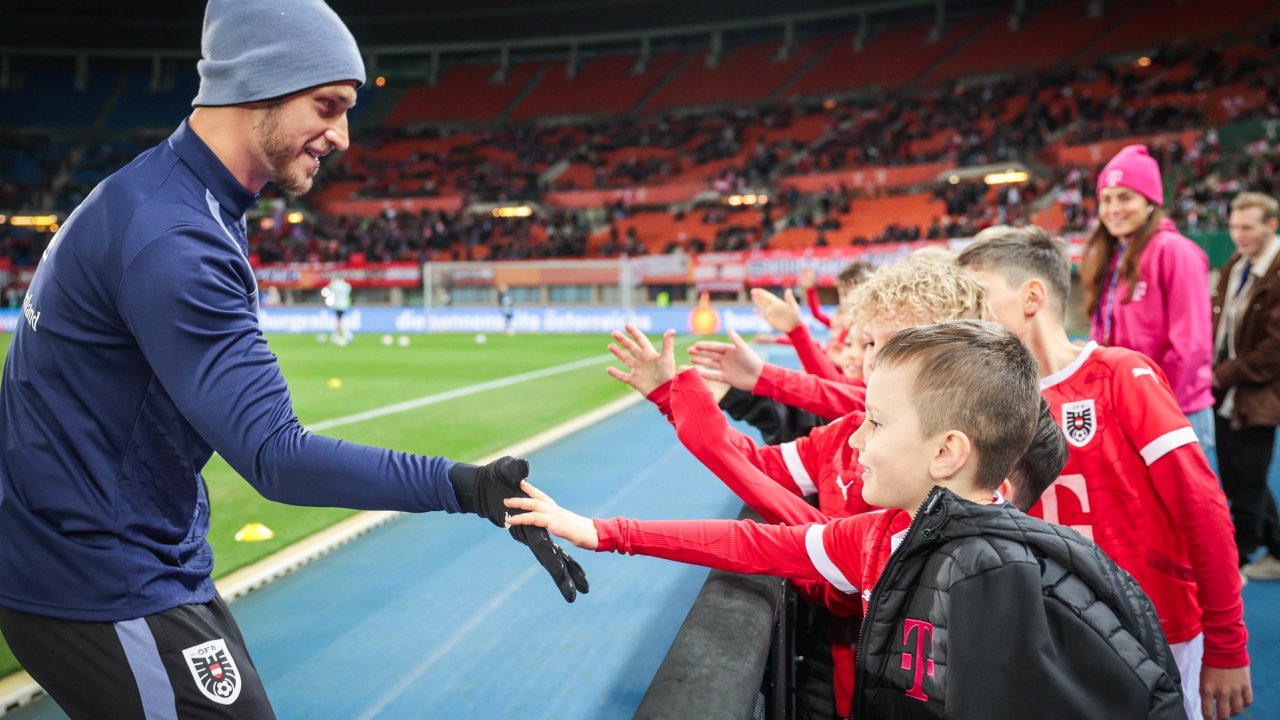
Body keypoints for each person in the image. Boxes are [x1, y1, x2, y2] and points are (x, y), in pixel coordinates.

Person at [0, 3, 587, 718]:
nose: (343, 135)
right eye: (328, 105)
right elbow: (276, 456)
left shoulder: (162, 196)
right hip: (96, 576)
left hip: (121, 555)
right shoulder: (175, 239)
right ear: (257, 84)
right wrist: (465, 487)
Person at [513, 321, 1186, 719]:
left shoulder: (1012, 584)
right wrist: (603, 532)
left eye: (874, 421)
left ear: (947, 453)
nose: (854, 440)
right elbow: (751, 543)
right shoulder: (882, 536)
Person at [958, 225, 1251, 720]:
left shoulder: (1121, 375)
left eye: (977, 297)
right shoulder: (984, 402)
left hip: (1155, 629)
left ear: (1032, 296)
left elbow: (1201, 506)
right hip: (1051, 636)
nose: (966, 315)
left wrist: (1226, 644)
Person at [1081, 144, 1216, 452]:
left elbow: (1190, 345)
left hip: (1174, 409)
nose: (1114, 209)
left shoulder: (1174, 251)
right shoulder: (1113, 255)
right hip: (1128, 409)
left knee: (1189, 502)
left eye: (1125, 197)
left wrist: (1152, 403)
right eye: (1106, 199)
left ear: (1150, 201)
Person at [1212, 192, 1280, 581]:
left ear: (1271, 225)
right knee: (1239, 473)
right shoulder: (1238, 263)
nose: (1238, 235)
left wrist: (1223, 374)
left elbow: (1274, 348)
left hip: (1259, 389)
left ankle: (1239, 557)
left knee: (1248, 480)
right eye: (1234, 227)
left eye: (1248, 227)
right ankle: (1277, 546)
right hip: (1227, 385)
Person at [321, 275, 353, 343]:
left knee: (339, 321)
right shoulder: (346, 285)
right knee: (339, 320)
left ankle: (346, 335)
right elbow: (349, 291)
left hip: (337, 305)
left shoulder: (334, 285)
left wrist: (332, 283)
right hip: (344, 305)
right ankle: (338, 335)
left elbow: (326, 290)